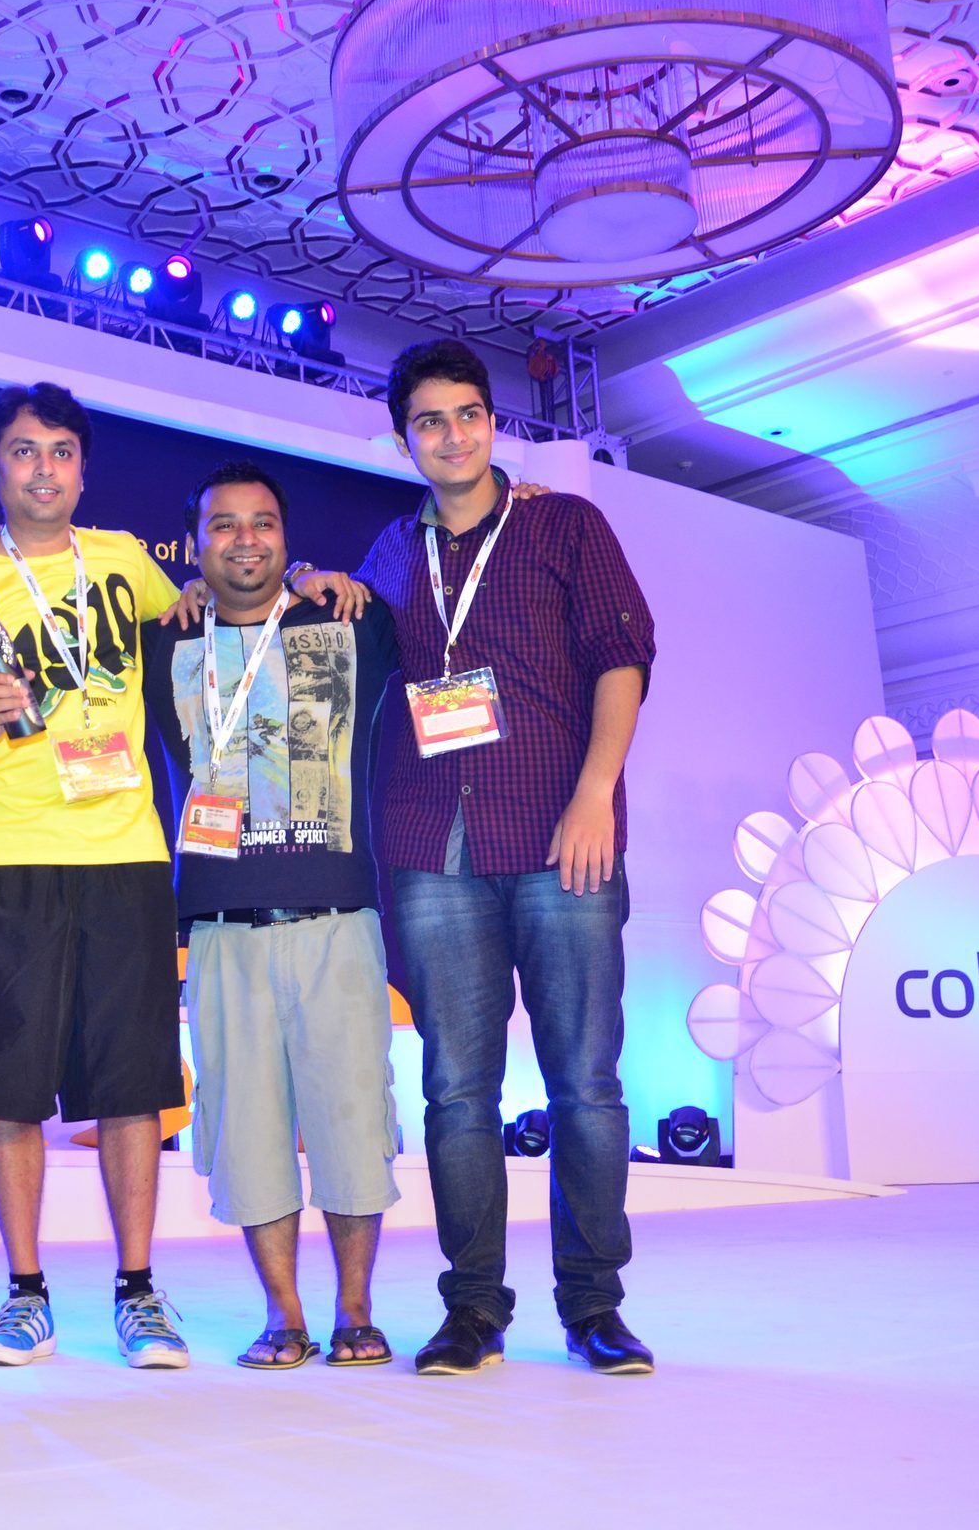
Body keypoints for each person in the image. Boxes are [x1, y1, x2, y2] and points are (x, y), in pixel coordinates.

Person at [352, 339, 659, 1377]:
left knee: (586, 1084)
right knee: (454, 1092)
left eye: (468, 415)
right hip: (430, 845)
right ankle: (472, 1308)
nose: (452, 436)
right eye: (429, 421)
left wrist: (595, 795)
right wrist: (314, 581)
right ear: (403, 439)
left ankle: (594, 1305)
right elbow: (348, 649)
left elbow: (622, 658)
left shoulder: (563, 525)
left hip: (562, 837)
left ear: (492, 423)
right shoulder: (390, 553)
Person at [0, 382, 195, 1371]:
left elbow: (213, 619)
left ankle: (138, 1292)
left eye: (62, 451)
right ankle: (25, 1296)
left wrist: (291, 575)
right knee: (8, 1091)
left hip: (126, 852)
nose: (44, 469)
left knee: (131, 1086)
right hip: (3, 853)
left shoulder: (124, 559)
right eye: (24, 451)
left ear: (83, 468)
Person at [142, 461, 403, 1371]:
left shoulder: (349, 622)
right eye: (223, 524)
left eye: (262, 524)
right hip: (222, 926)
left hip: (338, 919)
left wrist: (316, 580)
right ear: (196, 543)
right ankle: (283, 1315)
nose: (244, 539)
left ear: (287, 539)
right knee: (245, 1127)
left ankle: (356, 1310)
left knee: (352, 1119)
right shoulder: (165, 642)